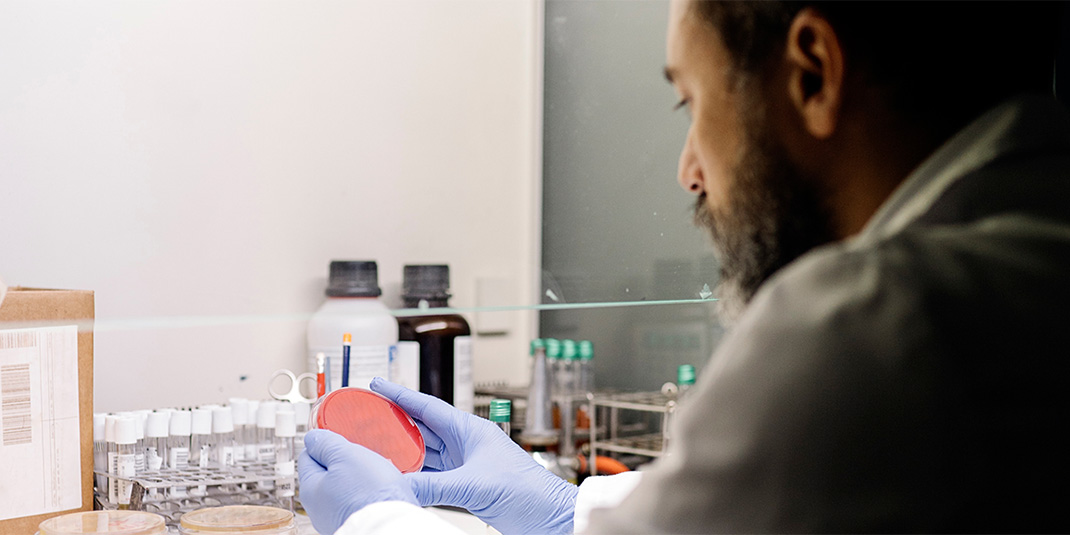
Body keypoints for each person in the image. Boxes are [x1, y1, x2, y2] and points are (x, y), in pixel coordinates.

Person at [299, 1, 1070, 533]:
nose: (688, 170)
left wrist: (378, 519)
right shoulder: (1029, 253)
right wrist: (572, 510)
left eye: (691, 103)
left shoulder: (874, 323)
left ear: (812, 73)